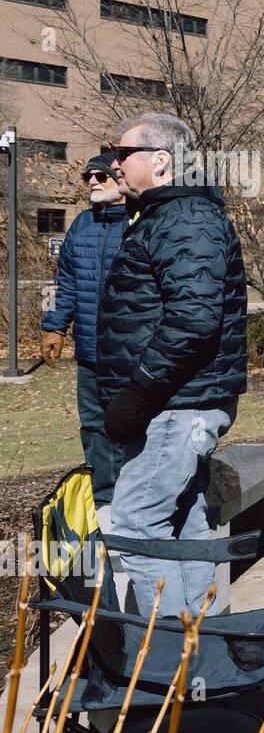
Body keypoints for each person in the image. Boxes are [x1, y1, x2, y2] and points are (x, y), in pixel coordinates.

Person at [96, 112, 247, 617]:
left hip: (178, 405)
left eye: (122, 154)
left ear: (160, 161)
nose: (114, 165)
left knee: (136, 522)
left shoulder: (186, 218)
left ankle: (167, 661)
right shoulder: (166, 215)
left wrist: (136, 395)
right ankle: (197, 652)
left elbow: (194, 321)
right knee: (182, 521)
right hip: (178, 403)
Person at [39, 152, 128, 510]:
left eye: (101, 176)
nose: (92, 181)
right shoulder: (81, 225)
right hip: (90, 353)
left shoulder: (142, 222)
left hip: (130, 355)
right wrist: (54, 327)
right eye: (88, 176)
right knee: (94, 428)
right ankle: (104, 506)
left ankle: (135, 505)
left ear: (120, 181)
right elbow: (66, 283)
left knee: (131, 427)